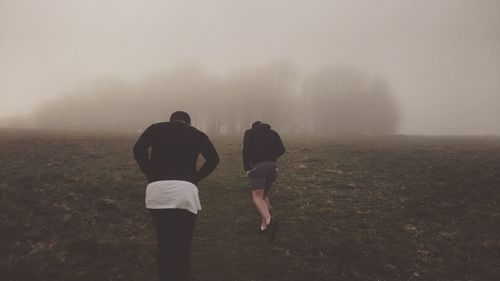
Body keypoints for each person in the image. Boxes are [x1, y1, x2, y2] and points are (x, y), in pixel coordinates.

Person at [133, 111, 219, 281]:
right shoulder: (197, 134)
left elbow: (138, 149)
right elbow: (214, 159)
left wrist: (149, 171)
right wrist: (196, 178)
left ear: (170, 120)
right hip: (185, 192)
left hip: (157, 191)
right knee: (182, 245)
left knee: (164, 241)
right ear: (188, 122)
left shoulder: (155, 129)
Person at [242, 121, 285, 242]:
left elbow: (245, 150)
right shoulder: (273, 133)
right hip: (272, 167)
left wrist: (247, 168)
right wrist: (270, 155)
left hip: (258, 167)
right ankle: (263, 227)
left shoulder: (249, 133)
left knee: (256, 197)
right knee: (264, 195)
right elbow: (282, 150)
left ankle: (269, 220)